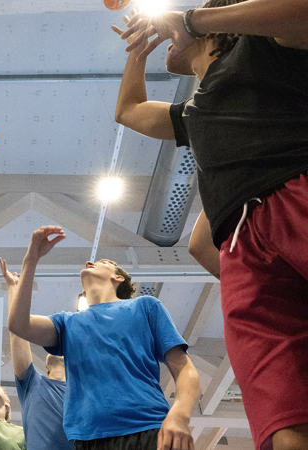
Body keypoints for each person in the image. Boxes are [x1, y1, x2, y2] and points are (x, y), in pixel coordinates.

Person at [113, 1, 308, 447]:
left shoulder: (262, 49)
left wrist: (189, 19)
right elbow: (128, 110)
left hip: (294, 193)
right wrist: (137, 52)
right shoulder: (192, 112)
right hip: (242, 247)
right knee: (284, 418)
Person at [8, 226, 201, 450]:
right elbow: (19, 325)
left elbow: (184, 368)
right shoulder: (67, 323)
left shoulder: (145, 306)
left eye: (102, 262)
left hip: (148, 429)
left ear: (117, 277)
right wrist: (31, 260)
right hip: (88, 440)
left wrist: (180, 415)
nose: (89, 262)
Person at [0, 258, 72, 450]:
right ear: (46, 368)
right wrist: (13, 288)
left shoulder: (84, 390)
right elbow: (17, 335)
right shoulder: (32, 384)